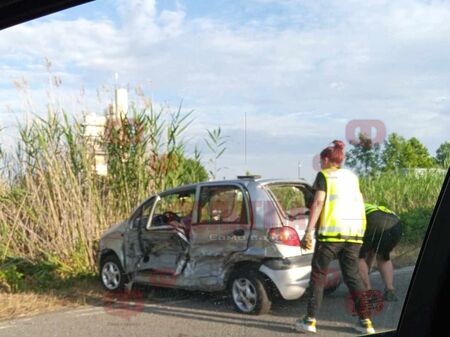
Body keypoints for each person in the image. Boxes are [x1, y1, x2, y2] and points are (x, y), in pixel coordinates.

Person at [296, 140, 375, 334]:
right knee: (352, 277)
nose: (320, 165)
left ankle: (310, 321)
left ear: (325, 159)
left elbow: (318, 203)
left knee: (318, 276)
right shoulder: (352, 177)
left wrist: (308, 231)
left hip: (331, 234)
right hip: (354, 234)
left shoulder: (324, 175)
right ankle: (366, 322)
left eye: (321, 161)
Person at [358, 203, 403, 301]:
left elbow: (362, 256)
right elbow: (370, 253)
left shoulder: (352, 210)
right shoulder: (368, 206)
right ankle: (389, 289)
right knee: (383, 257)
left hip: (375, 221)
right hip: (396, 224)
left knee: (357, 256)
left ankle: (367, 291)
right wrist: (367, 269)